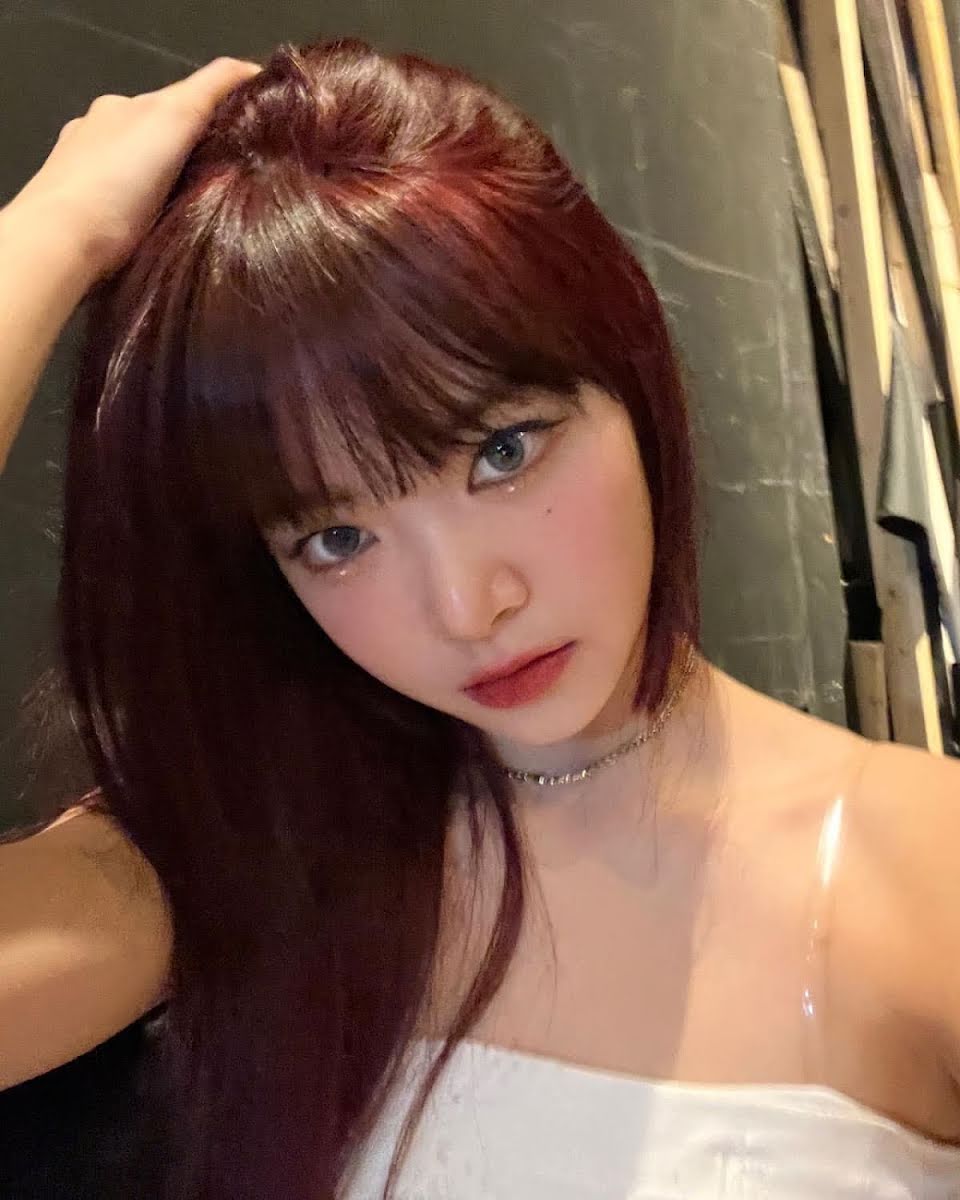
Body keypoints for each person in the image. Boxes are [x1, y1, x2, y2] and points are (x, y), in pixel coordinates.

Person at [0, 34, 959, 1200]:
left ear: (627, 369)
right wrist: (44, 236)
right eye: (336, 538)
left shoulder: (922, 873)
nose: (467, 606)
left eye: (503, 451)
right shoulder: (254, 854)